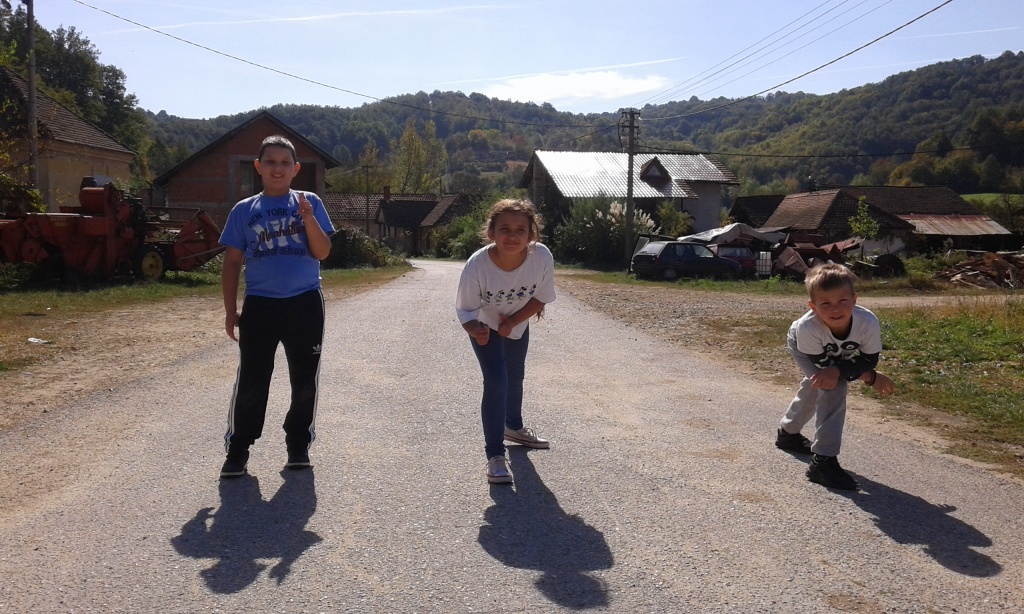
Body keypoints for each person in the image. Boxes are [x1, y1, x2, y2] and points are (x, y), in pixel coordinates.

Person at [218, 135, 335, 479]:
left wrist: (308, 218)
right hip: (260, 305)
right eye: (270, 161)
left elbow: (323, 252)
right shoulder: (244, 210)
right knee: (252, 380)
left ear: (296, 169)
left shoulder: (310, 201)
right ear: (258, 166)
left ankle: (298, 446)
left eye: (285, 163)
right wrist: (230, 310)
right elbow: (232, 262)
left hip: (304, 302)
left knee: (304, 380)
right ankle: (238, 449)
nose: (278, 169)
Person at [456, 199, 557, 484]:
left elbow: (541, 297)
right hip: (485, 325)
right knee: (496, 380)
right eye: (504, 229)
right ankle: (495, 457)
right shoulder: (478, 265)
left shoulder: (541, 257)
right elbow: (465, 309)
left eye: (520, 230)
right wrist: (475, 329)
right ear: (491, 233)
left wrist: (513, 322)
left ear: (531, 234)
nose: (512, 236)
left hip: (517, 323)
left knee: (515, 375)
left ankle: (513, 427)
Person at [775, 263, 895, 490]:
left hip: (835, 355)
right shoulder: (808, 327)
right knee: (831, 386)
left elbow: (869, 360)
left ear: (854, 299)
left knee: (820, 383)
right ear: (813, 306)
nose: (836, 309)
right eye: (825, 304)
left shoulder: (867, 322)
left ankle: (788, 433)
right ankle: (823, 461)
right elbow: (829, 371)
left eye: (842, 301)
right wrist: (870, 378)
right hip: (803, 347)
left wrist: (864, 371)